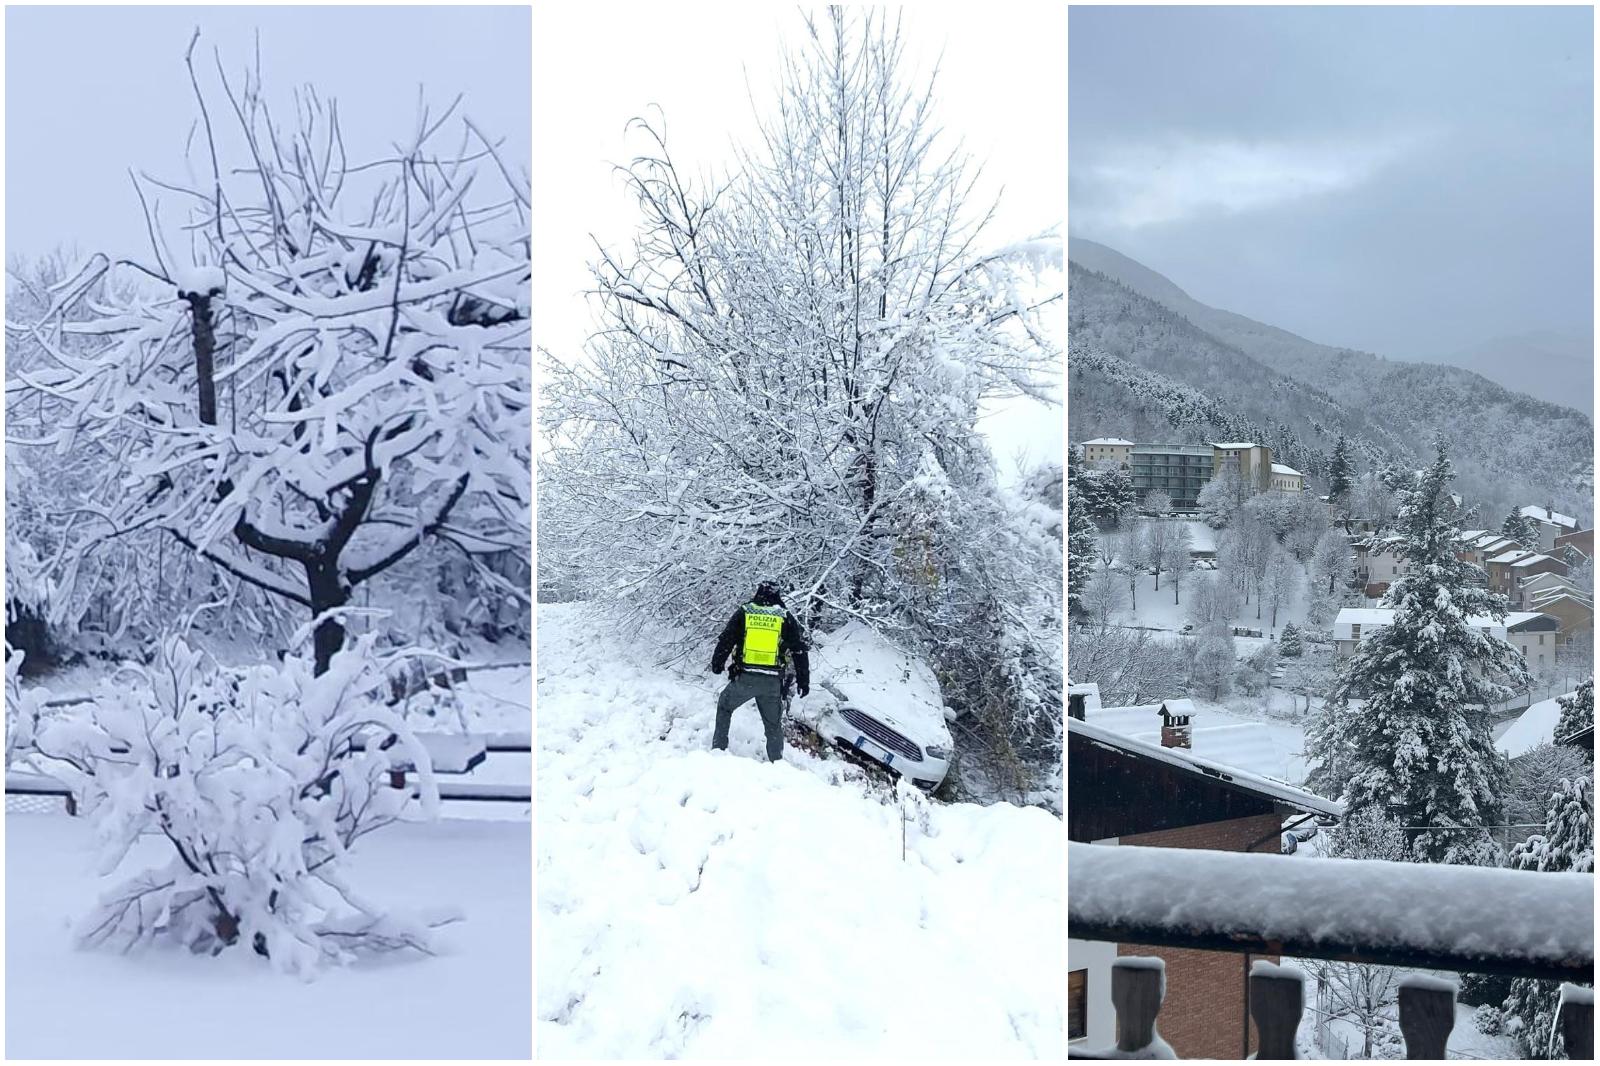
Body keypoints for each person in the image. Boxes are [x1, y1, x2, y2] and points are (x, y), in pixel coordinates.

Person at [710, 580, 810, 761]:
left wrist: (717, 664)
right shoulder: (784, 616)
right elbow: (799, 650)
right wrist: (804, 681)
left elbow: (726, 639)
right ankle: (777, 762)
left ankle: (718, 750)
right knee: (773, 726)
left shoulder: (746, 612)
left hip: (745, 679)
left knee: (724, 706)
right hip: (772, 683)